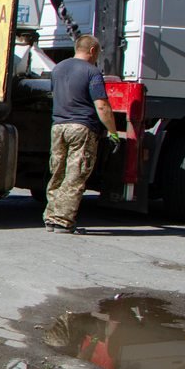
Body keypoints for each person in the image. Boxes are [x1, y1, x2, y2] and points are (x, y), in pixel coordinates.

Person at [43, 34, 120, 233]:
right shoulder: (92, 72)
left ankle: (51, 217)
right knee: (75, 175)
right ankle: (63, 220)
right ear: (93, 51)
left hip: (58, 126)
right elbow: (102, 106)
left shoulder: (58, 69)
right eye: (98, 54)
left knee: (57, 172)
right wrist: (113, 132)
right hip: (81, 128)